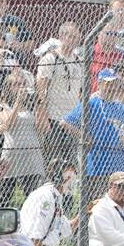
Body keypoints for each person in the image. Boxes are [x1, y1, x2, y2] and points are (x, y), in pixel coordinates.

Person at [61, 68, 124, 246]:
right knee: (92, 205)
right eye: (108, 83)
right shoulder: (92, 104)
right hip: (96, 165)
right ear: (101, 83)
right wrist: (83, 136)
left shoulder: (121, 108)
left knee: (114, 207)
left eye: (114, 83)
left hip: (118, 166)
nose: (112, 87)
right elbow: (65, 122)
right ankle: (81, 243)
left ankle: (108, 245)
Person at [35, 20, 87, 165]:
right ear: (61, 37)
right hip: (53, 118)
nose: (73, 40)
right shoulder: (50, 58)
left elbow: (81, 92)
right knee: (53, 162)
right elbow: (41, 87)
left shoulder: (79, 61)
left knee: (70, 164)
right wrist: (42, 114)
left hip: (72, 119)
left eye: (76, 37)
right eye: (70, 36)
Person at [0, 71, 49, 208]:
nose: (20, 87)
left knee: (34, 199)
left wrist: (40, 103)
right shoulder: (1, 106)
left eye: (23, 84)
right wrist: (17, 103)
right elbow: (9, 124)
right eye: (16, 84)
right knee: (4, 199)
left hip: (31, 157)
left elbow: (45, 128)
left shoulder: (32, 106)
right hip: (11, 158)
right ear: (8, 87)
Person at [20, 160, 79, 246]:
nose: (71, 181)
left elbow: (65, 227)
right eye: (68, 176)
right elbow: (35, 237)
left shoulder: (56, 196)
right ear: (57, 177)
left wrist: (85, 213)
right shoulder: (45, 197)